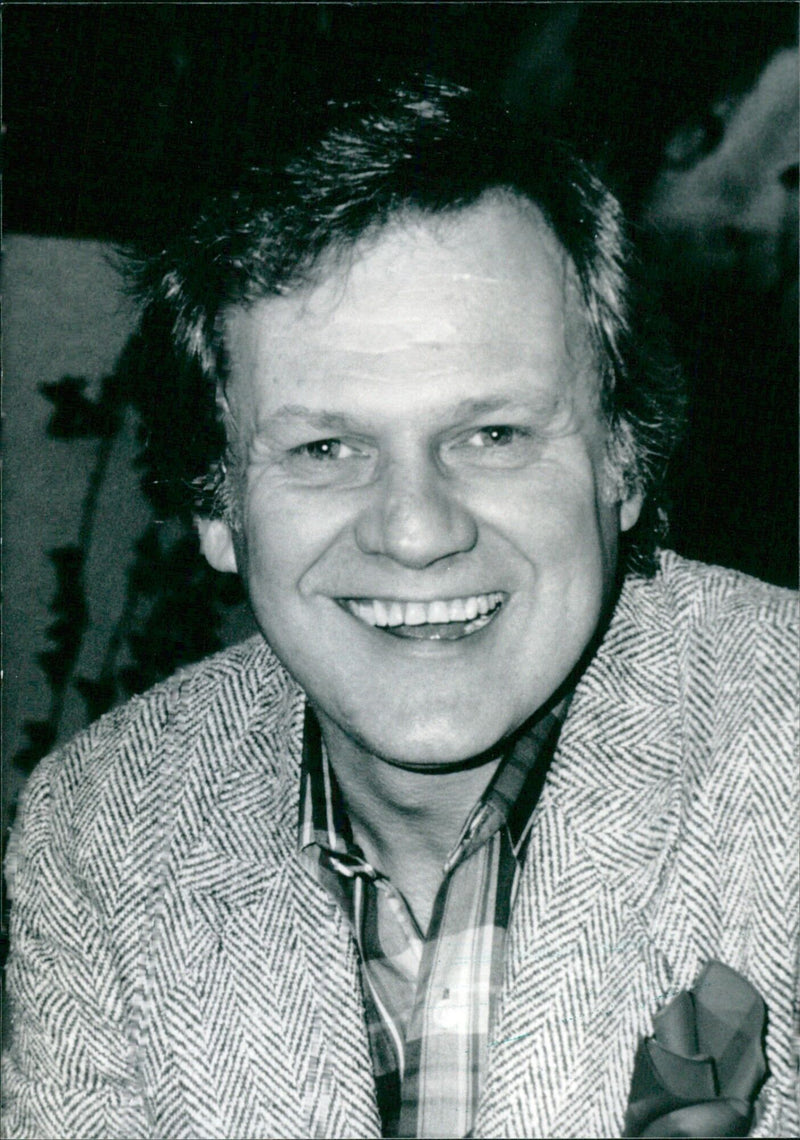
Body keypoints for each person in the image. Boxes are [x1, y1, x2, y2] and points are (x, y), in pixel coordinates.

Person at [2, 81, 797, 1140]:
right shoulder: (102, 823)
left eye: (493, 435)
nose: (415, 530)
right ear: (216, 503)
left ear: (622, 458)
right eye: (325, 449)